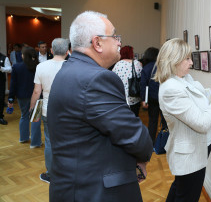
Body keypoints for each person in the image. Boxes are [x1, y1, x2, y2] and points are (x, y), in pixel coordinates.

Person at [47, 11, 153, 202]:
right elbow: (135, 136)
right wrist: (143, 154)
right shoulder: (97, 78)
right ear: (97, 43)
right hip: (95, 191)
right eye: (114, 36)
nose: (119, 42)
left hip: (73, 185)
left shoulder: (69, 69)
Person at [155, 38, 211, 202]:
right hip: (190, 154)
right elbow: (202, 123)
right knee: (188, 195)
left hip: (200, 146)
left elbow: (203, 97)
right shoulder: (170, 89)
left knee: (180, 189)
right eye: (187, 58)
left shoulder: (184, 78)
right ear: (174, 60)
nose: (191, 62)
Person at [30, 38, 69, 184]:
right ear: (67, 51)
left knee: (50, 142)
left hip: (48, 111)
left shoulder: (41, 66)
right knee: (68, 141)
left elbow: (36, 91)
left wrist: (32, 107)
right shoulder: (72, 66)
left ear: (51, 50)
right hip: (69, 112)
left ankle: (51, 174)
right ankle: (67, 172)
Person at [8, 47, 41, 148]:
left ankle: (23, 138)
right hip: (36, 95)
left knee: (24, 116)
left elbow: (13, 84)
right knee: (35, 119)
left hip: (22, 96)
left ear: (23, 56)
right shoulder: (38, 66)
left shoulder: (17, 67)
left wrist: (11, 98)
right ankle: (35, 143)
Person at [140, 47, 167, 144]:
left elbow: (143, 84)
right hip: (163, 97)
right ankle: (164, 142)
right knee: (165, 121)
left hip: (152, 98)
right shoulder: (163, 66)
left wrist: (144, 100)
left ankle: (151, 142)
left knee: (152, 121)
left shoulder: (146, 68)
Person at [112, 45, 142, 116]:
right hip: (134, 96)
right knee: (135, 116)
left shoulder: (118, 65)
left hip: (121, 97)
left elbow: (113, 79)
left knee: (123, 118)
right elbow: (141, 77)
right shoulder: (137, 63)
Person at [0, 51, 12, 125]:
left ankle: (0, 117)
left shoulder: (4, 58)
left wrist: (1, 68)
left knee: (1, 99)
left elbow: (10, 69)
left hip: (0, 82)